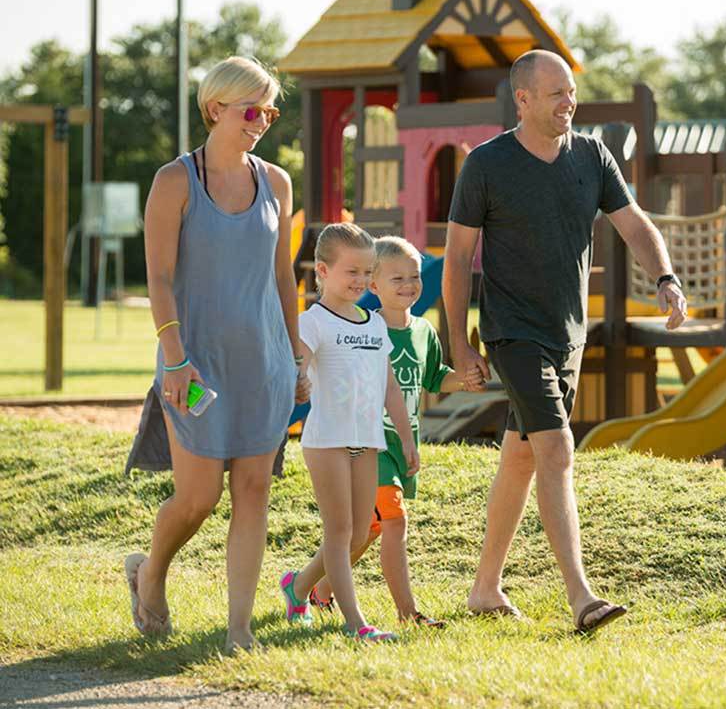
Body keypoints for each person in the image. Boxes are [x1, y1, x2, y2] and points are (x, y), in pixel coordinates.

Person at [443, 49, 688, 633]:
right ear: (522, 100)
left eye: (572, 91)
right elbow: (456, 259)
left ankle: (484, 589)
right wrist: (460, 343)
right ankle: (582, 598)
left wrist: (666, 277)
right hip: (512, 331)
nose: (568, 102)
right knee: (556, 450)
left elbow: (634, 224)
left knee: (523, 454)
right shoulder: (486, 165)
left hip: (567, 333)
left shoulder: (593, 156)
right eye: (555, 93)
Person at [124, 56, 307, 653]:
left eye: (270, 111)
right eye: (252, 110)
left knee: (254, 491)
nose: (262, 122)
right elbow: (157, 276)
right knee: (198, 498)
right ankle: (150, 571)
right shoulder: (174, 181)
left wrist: (296, 349)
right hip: (194, 364)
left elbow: (284, 278)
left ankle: (239, 630)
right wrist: (174, 356)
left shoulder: (277, 182)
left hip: (264, 365)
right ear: (215, 108)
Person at [299, 236, 475, 628]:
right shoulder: (341, 322)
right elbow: (305, 359)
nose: (409, 285)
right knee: (386, 523)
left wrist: (459, 385)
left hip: (387, 444)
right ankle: (391, 615)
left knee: (364, 530)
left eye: (414, 277)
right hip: (345, 441)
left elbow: (415, 381)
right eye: (396, 278)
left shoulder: (410, 330)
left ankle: (308, 587)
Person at [279, 224, 418, 643]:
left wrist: (407, 440)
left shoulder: (374, 324)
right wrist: (299, 378)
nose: (361, 281)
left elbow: (389, 385)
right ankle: (356, 624)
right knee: (339, 532)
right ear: (323, 270)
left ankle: (298, 587)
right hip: (327, 440)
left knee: (360, 532)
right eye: (351, 272)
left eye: (367, 272)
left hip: (369, 440)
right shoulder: (313, 321)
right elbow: (297, 362)